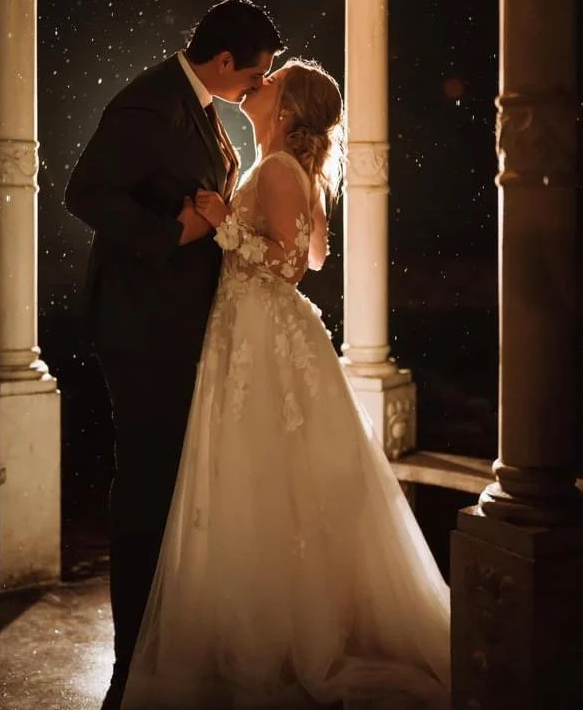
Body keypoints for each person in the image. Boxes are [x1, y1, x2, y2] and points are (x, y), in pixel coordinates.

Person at [120, 59, 451, 710]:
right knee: (275, 481)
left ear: (288, 109)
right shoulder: (284, 170)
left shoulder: (276, 169)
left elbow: (294, 267)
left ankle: (273, 639)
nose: (258, 84)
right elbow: (318, 251)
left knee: (259, 475)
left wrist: (222, 224)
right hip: (253, 331)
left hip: (262, 334)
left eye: (272, 82)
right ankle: (277, 622)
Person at [64, 0, 284, 710]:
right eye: (253, 76)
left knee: (167, 482)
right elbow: (86, 192)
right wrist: (179, 230)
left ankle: (161, 634)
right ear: (223, 61)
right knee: (148, 485)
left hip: (175, 323)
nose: (255, 89)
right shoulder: (150, 103)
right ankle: (133, 655)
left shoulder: (194, 106)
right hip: (141, 327)